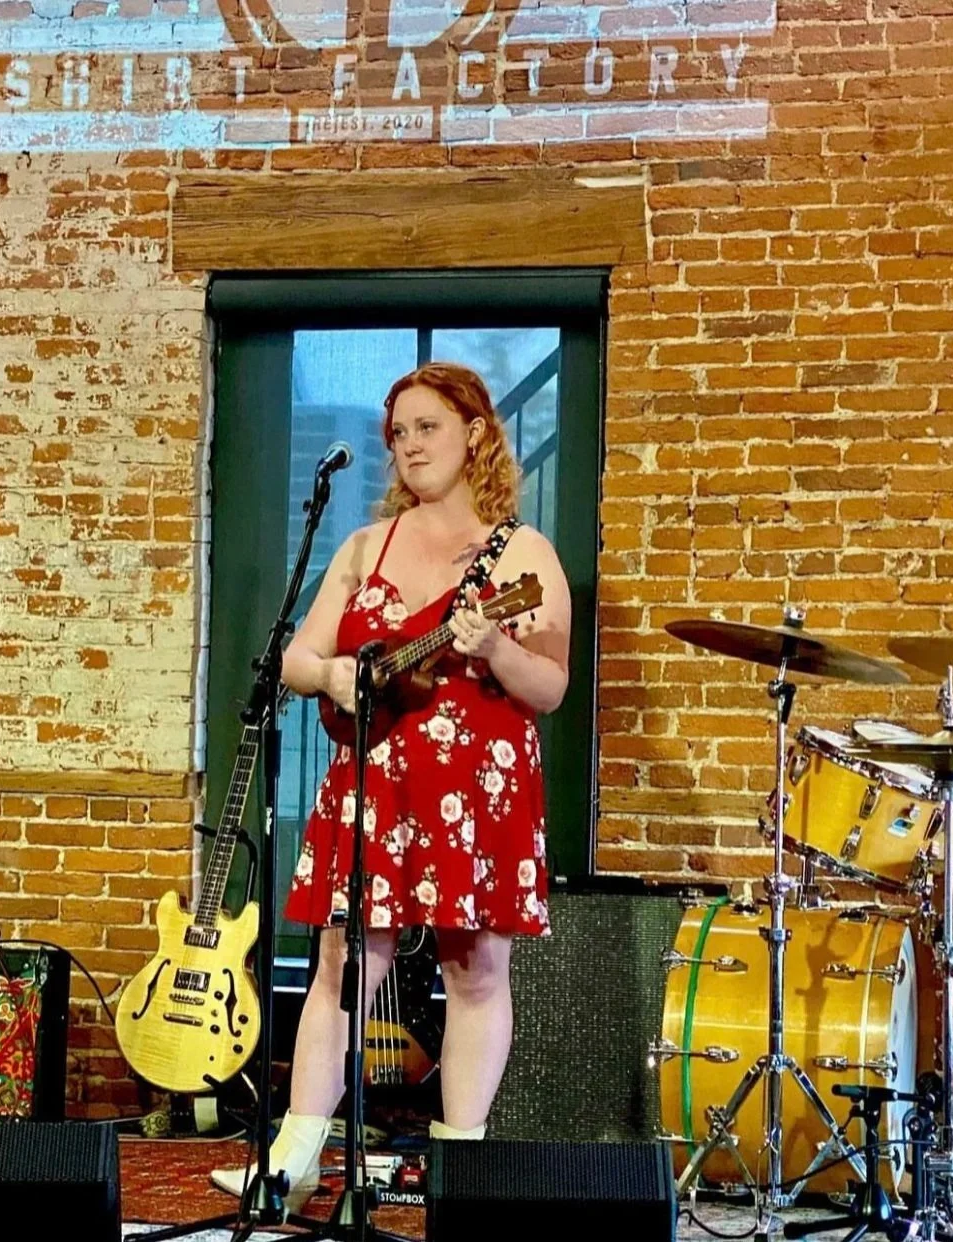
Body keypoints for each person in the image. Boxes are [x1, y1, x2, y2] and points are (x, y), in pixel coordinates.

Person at [213, 361, 572, 1209]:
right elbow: (300, 657)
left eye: (428, 428)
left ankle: (461, 1176)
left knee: (476, 969)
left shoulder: (522, 553)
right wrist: (335, 677)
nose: (410, 446)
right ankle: (292, 1163)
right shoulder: (363, 546)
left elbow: (550, 687)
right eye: (399, 434)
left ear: (476, 433)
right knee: (341, 960)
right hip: (375, 776)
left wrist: (494, 650)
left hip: (475, 786)